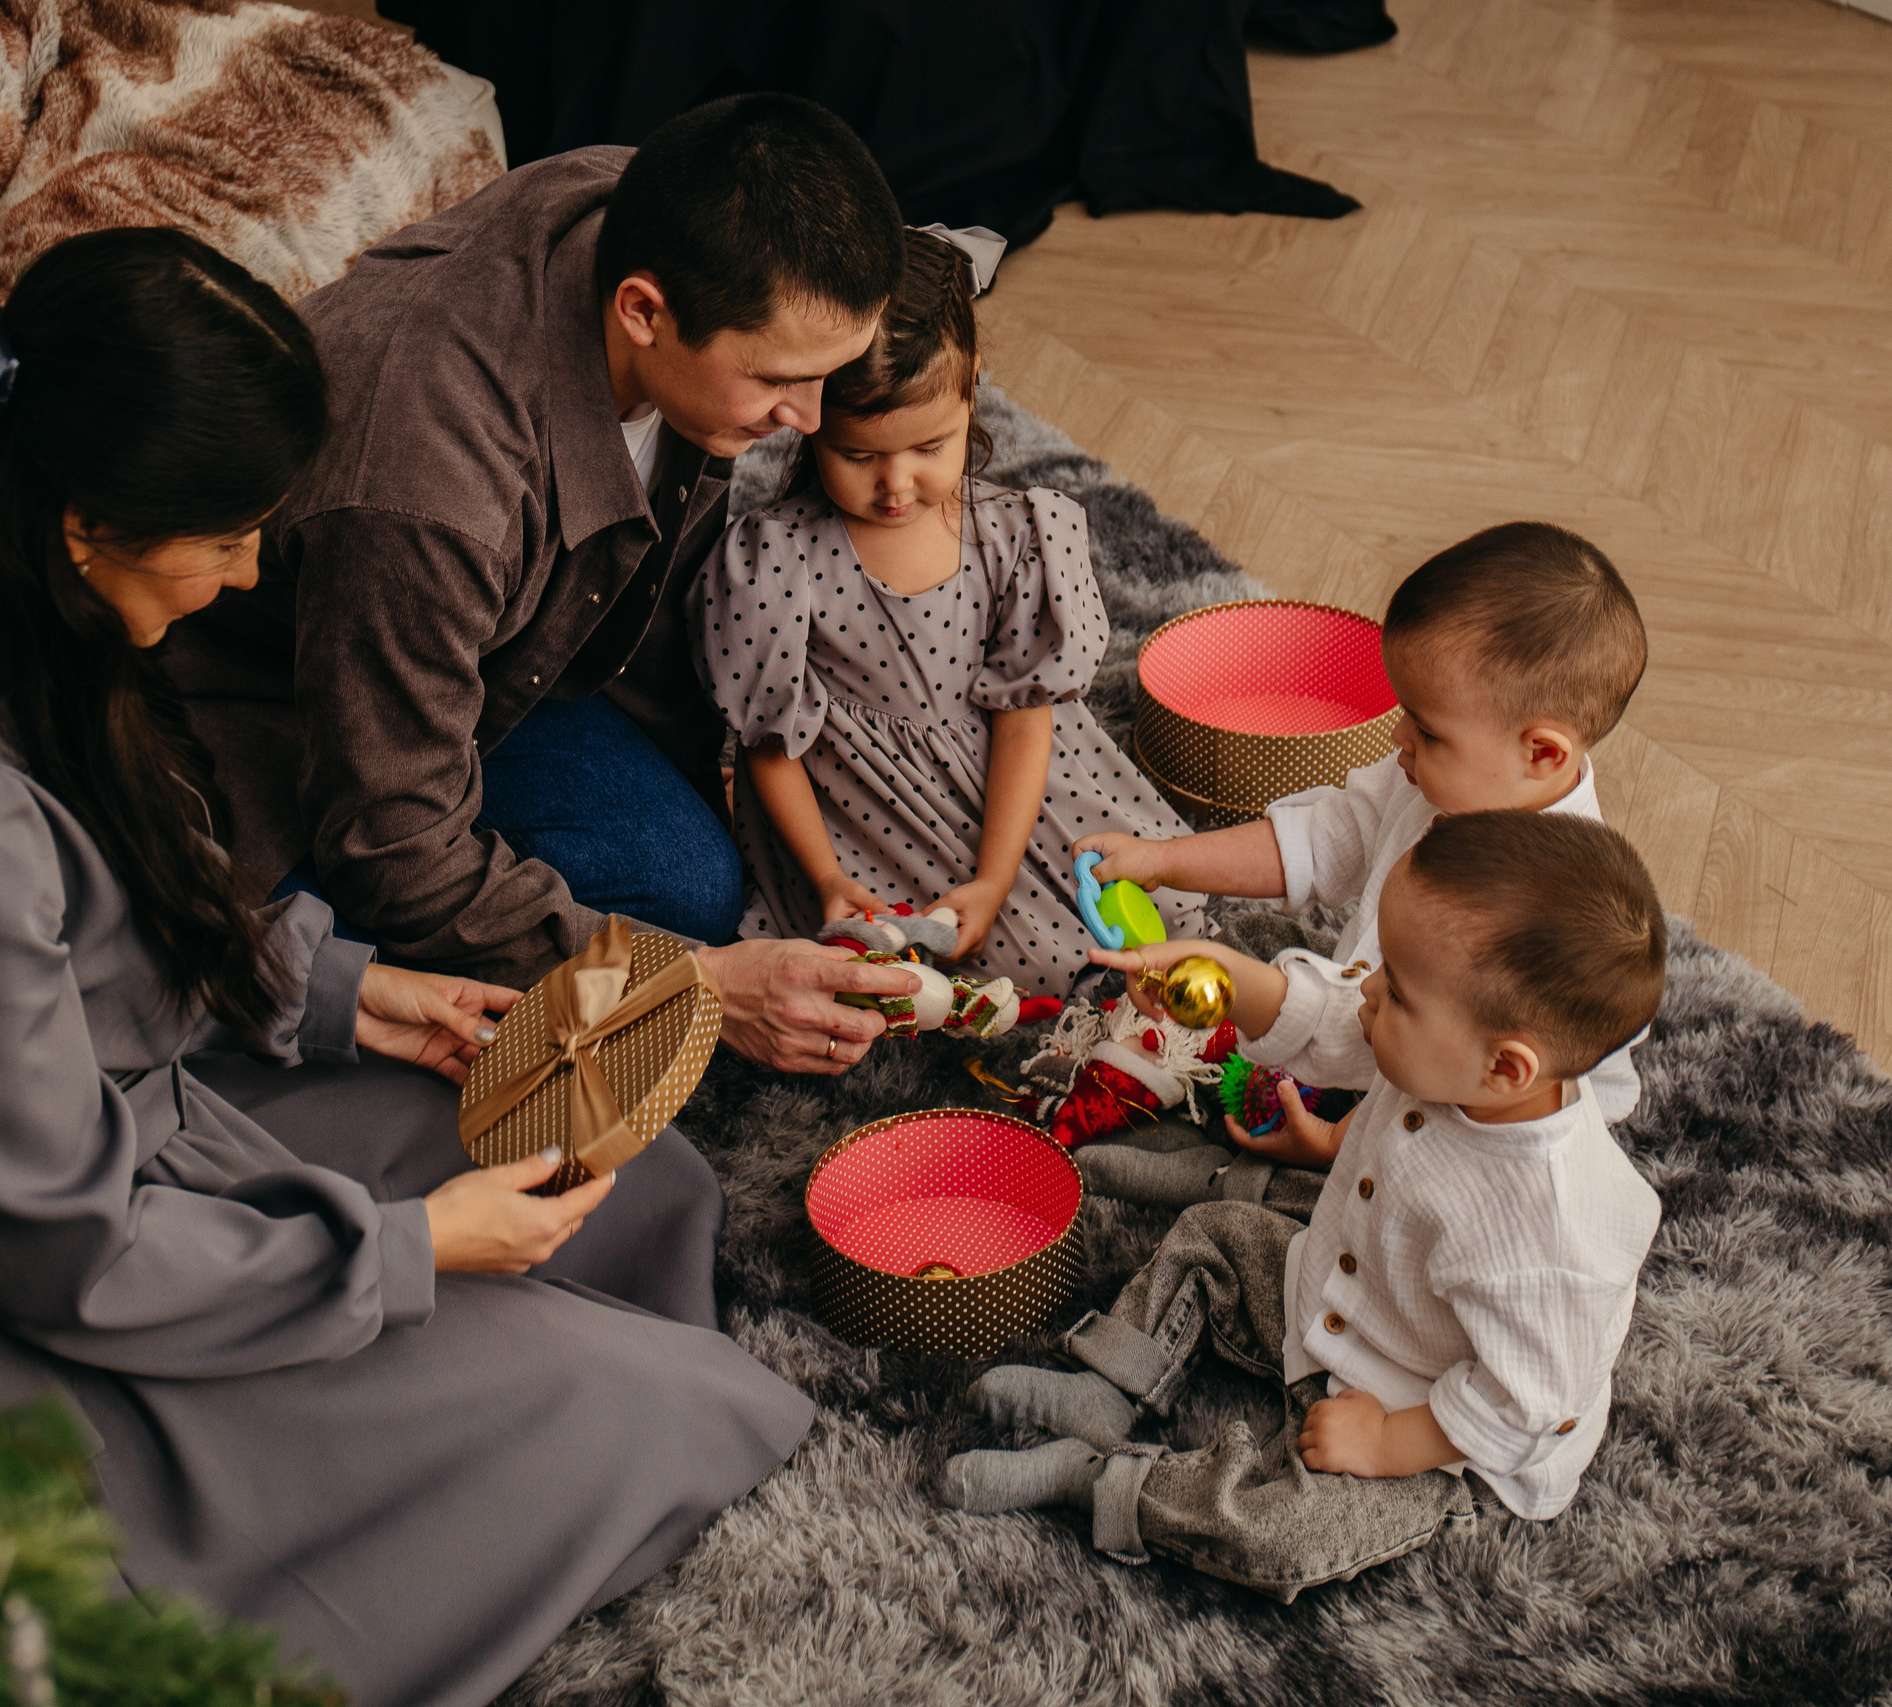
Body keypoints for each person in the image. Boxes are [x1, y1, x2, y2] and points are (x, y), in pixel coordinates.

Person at [0, 228, 814, 1707]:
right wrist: (415, 1249)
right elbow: (66, 1255)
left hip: (148, 1106)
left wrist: (344, 991)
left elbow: (111, 943)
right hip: (55, 1308)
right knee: (677, 1407)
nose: (255, 570)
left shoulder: (41, 627)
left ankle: (518, 1392)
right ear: (87, 524)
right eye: (227, 539)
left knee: (639, 1179)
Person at [162, 92, 926, 1076]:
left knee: (696, 875)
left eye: (829, 373)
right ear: (642, 312)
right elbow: (391, 848)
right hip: (284, 722)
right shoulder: (426, 493)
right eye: (779, 379)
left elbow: (654, 592)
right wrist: (698, 988)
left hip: (485, 658)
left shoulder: (640, 206)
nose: (811, 420)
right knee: (649, 927)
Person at [942, 811, 1667, 1604]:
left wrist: (1385, 1440)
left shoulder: (1553, 1238)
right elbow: (1327, 1020)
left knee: (1285, 1532)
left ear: (1507, 1067)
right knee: (1215, 1237)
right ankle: (1108, 1385)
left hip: (1430, 1428)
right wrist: (1221, 977)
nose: (1370, 992)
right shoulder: (1448, 1046)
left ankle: (1103, 1482)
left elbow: (1527, 1408)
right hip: (1337, 1291)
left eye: (1397, 990)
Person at [1072, 521, 1653, 1213]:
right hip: (1393, 1017)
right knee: (1259, 945)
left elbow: (1422, 1066)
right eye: (1405, 712)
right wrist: (1166, 860)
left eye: (1427, 729)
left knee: (1275, 1213)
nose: (1398, 736)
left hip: (1459, 1107)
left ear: (1543, 754)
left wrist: (1338, 1142)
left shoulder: (1538, 903)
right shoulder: (1440, 778)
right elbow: (1321, 840)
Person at [697, 225, 1202, 995]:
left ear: (971, 394)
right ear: (808, 421)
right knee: (958, 964)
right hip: (866, 806)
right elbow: (771, 742)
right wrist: (828, 879)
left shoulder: (1017, 535)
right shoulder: (775, 561)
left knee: (1156, 894)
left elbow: (1025, 716)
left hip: (1014, 779)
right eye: (859, 455)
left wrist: (995, 879)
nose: (895, 484)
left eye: (929, 447)